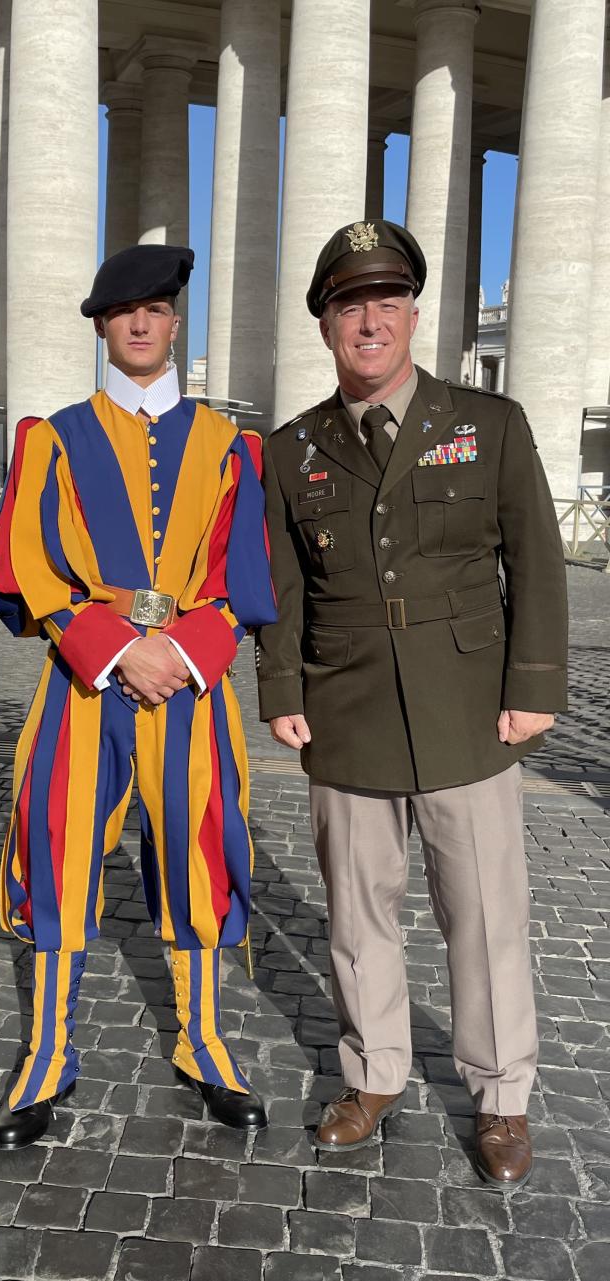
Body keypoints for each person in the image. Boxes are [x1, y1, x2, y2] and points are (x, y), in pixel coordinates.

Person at [256, 220, 568, 1191]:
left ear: (413, 314)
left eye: (385, 301)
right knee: (358, 915)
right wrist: (279, 690)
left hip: (468, 708)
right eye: (350, 304)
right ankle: (374, 1074)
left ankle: (502, 1094)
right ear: (326, 326)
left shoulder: (491, 423)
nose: (369, 320)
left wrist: (534, 690)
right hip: (343, 709)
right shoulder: (290, 450)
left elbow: (539, 565)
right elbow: (282, 588)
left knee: (483, 915)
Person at [0, 244, 277, 1148]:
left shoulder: (232, 446)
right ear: (103, 327)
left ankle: (202, 1041)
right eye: (124, 312)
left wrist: (184, 651)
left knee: (200, 848)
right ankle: (46, 1052)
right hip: (86, 680)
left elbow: (246, 575)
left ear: (176, 321)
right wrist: (114, 650)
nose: (142, 323)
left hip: (190, 681)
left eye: (156, 308)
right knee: (61, 844)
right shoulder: (56, 437)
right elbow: (25, 563)